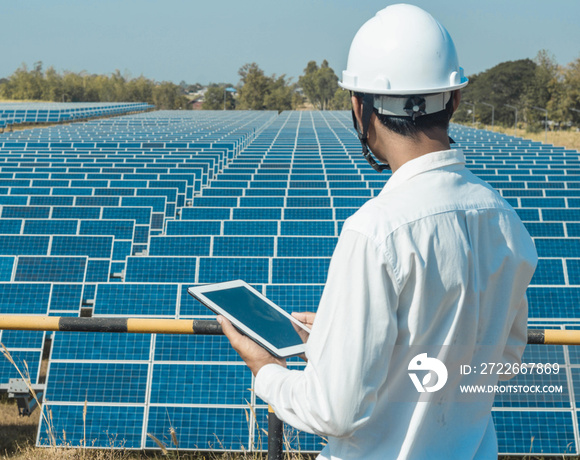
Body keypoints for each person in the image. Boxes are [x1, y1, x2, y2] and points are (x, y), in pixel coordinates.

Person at [218, 4, 538, 459]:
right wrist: (337, 343)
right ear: (455, 99)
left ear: (359, 106)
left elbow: (334, 412)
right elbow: (500, 365)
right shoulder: (504, 219)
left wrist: (266, 370)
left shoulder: (376, 231)